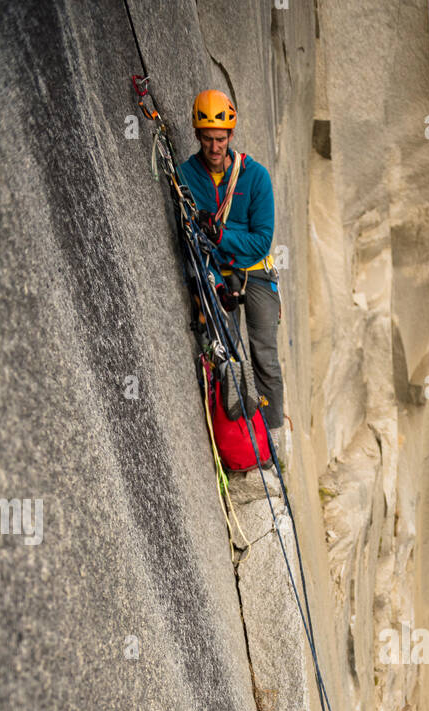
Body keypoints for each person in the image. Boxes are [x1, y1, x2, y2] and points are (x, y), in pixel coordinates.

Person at [179, 90, 286, 446]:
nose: (214, 148)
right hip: (216, 275)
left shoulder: (254, 178)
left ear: (231, 137)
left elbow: (261, 241)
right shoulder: (187, 176)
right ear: (197, 136)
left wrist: (221, 234)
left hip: (255, 272)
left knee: (264, 356)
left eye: (221, 139)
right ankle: (238, 439)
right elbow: (187, 229)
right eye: (208, 139)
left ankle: (271, 438)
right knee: (225, 356)